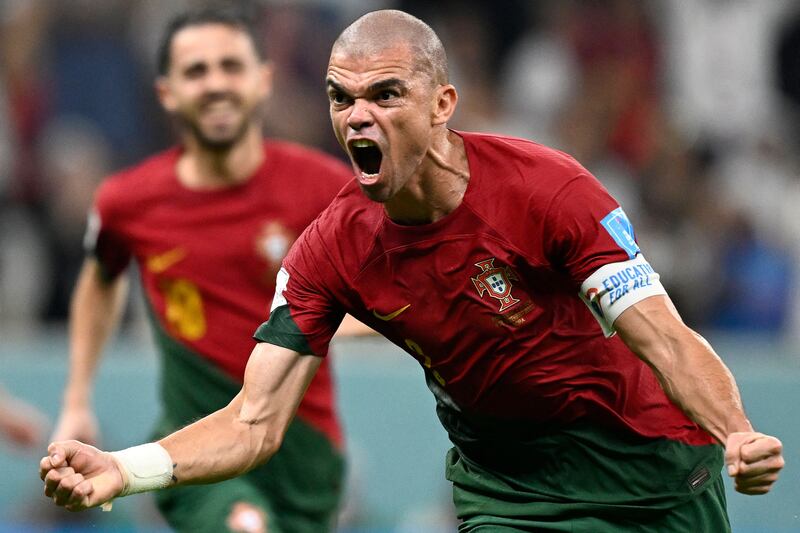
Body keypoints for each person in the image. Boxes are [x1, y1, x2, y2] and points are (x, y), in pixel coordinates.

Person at [41, 9, 784, 532]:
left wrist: (737, 430)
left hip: (651, 474)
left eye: (386, 94)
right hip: (510, 495)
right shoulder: (331, 247)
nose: (358, 116)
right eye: (342, 97)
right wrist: (123, 466)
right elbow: (253, 419)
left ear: (442, 103)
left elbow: (664, 336)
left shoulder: (546, 190)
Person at [47, 7, 368, 533]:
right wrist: (77, 397)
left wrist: (325, 327)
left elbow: (383, 298)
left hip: (304, 449)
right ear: (167, 92)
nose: (215, 83)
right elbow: (100, 278)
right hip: (192, 445)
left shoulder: (325, 189)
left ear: (263, 80)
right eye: (196, 71)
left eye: (230, 66)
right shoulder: (128, 202)